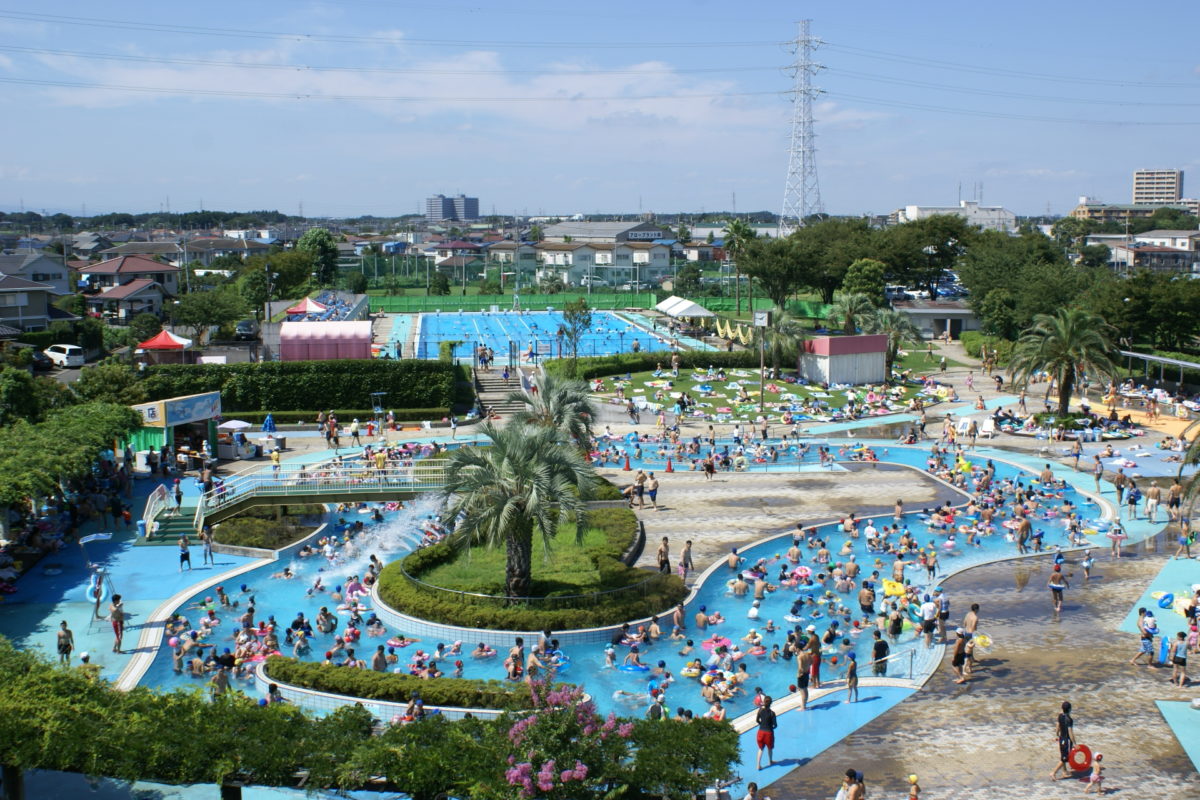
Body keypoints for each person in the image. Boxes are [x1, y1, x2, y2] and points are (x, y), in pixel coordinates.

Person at [1051, 700, 1076, 781]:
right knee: (1065, 758)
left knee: (1063, 755)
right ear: (1070, 709)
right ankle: (1053, 772)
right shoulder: (1069, 719)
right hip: (1067, 740)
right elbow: (1070, 732)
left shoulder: (1060, 716)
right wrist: (1075, 743)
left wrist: (1056, 735)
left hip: (1061, 738)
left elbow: (1057, 726)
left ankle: (1064, 771)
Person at [754, 695, 777, 769]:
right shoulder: (772, 713)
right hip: (768, 733)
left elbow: (757, 720)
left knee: (761, 748)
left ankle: (758, 765)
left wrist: (762, 724)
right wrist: (771, 727)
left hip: (760, 732)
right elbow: (775, 725)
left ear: (764, 702)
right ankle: (770, 761)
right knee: (769, 748)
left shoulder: (760, 710)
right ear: (771, 703)